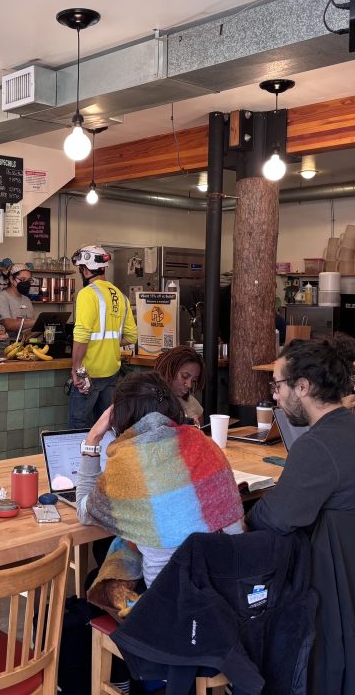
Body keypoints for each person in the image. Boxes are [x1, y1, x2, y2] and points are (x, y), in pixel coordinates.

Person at [76, 372, 243, 596]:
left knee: (95, 580)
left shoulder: (129, 463)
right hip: (231, 589)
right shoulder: (205, 444)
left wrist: (92, 440)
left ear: (118, 415)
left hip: (169, 605)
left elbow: (84, 511)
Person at [249, 337, 355, 534]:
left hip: (331, 560)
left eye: (277, 385)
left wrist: (245, 515)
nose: (275, 395)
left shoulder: (315, 445)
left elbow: (275, 518)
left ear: (302, 387)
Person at [68, 245, 137, 429]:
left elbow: (82, 335)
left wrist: (76, 368)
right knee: (105, 425)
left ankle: (80, 459)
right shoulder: (121, 296)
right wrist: (110, 343)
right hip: (112, 372)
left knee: (79, 425)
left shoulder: (87, 294)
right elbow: (131, 336)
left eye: (81, 269)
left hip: (88, 373)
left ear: (85, 269)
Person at [154, 345, 205, 426]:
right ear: (170, 370)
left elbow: (202, 433)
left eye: (194, 380)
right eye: (185, 376)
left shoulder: (192, 403)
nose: (189, 385)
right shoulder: (148, 401)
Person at [0, 261, 34, 335]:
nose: (26, 283)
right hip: (5, 346)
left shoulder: (27, 300)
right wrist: (37, 321)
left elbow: (29, 328)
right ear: (12, 279)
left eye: (29, 280)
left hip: (22, 344)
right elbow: (7, 324)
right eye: (22, 280)